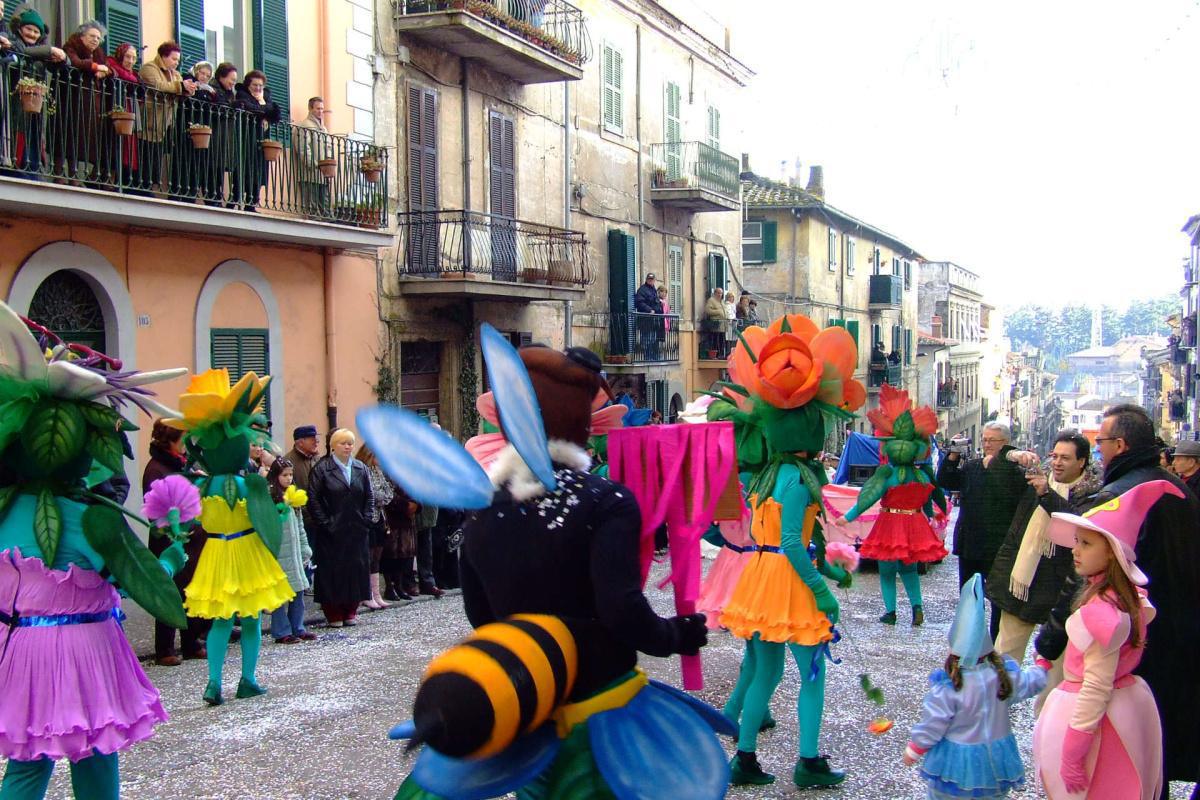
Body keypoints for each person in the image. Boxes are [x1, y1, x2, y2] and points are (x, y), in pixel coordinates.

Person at [0, 303, 189, 800]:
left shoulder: (4, 510)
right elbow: (141, 580)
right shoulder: (90, 518)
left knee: (27, 761)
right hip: (83, 649)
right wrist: (171, 553)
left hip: (18, 647)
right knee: (94, 753)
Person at [719, 314, 862, 788]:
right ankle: (808, 761)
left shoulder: (763, 476)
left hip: (759, 579)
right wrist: (821, 591)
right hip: (788, 582)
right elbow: (792, 545)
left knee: (764, 673)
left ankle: (744, 757)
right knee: (812, 675)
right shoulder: (798, 479)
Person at [1084, 404, 1200, 797]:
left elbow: (1095, 578)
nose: (1098, 450)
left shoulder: (1118, 498)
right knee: (1159, 742)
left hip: (1135, 643)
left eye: (1100, 442)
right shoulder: (1180, 490)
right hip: (1181, 635)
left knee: (1129, 750)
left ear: (1119, 444)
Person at [1032, 481, 1172, 800]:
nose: (1076, 551)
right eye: (1077, 542)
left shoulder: (1101, 611)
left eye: (1086, 544)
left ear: (1111, 554)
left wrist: (1072, 753)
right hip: (1125, 708)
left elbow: (1096, 686)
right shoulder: (1126, 598)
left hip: (1100, 722)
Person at [165, 368, 293, 706]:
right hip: (246, 549)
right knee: (250, 619)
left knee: (221, 622)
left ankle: (213, 682)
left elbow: (189, 521)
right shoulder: (247, 484)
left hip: (217, 551)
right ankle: (247, 679)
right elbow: (265, 515)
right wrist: (282, 511)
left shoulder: (202, 485)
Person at [904, 575, 1048, 800]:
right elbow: (1031, 682)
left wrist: (916, 747)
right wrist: (1042, 664)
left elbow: (935, 723)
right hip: (994, 766)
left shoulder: (949, 686)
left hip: (955, 766)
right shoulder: (1003, 677)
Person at [835, 385, 948, 627]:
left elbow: (868, 497)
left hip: (890, 522)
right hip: (915, 523)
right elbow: (930, 502)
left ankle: (891, 612)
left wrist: (847, 517)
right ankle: (917, 607)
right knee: (909, 570)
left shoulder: (887, 475)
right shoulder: (923, 477)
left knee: (886, 572)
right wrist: (930, 517)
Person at [986, 431, 1099, 663]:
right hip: (1023, 580)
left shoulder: (1094, 494)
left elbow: (1078, 526)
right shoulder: (1036, 479)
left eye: (1065, 458)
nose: (1057, 463)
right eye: (1054, 456)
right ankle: (997, 698)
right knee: (1003, 658)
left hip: (1062, 589)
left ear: (1082, 462)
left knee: (1057, 668)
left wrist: (1047, 495)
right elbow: (997, 473)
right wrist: (1013, 454)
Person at [936, 421, 1031, 640]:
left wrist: (997, 466)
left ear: (1005, 443)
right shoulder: (973, 466)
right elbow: (946, 481)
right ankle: (969, 639)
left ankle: (995, 641)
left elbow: (1011, 495)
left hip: (999, 544)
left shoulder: (1016, 470)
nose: (987, 444)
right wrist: (952, 457)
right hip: (971, 541)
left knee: (998, 597)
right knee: (969, 594)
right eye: (984, 439)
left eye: (992, 440)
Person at [142, 419, 210, 666]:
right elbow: (155, 507)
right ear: (171, 439)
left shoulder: (180, 465)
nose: (187, 445)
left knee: (189, 590)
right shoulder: (156, 468)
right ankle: (165, 648)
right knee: (169, 592)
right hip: (168, 540)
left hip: (191, 538)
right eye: (183, 439)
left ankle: (191, 642)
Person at [307, 428, 374, 627]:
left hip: (356, 529)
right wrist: (326, 523)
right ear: (333, 446)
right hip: (332, 531)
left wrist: (366, 519)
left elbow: (369, 496)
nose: (347, 447)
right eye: (343, 443)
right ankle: (334, 612)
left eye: (350, 443)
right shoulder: (322, 469)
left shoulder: (361, 468)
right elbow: (313, 499)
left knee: (356, 569)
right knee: (333, 571)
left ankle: (351, 610)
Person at [7, 8, 66, 177]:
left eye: (36, 31)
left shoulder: (43, 51)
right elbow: (21, 52)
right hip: (14, 106)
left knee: (33, 141)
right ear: (20, 29)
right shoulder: (14, 42)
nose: (32, 34)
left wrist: (62, 58)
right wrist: (49, 51)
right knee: (16, 139)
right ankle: (15, 171)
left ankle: (31, 172)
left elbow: (64, 66)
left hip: (35, 109)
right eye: (29, 29)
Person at [266, 458, 317, 644]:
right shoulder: (270, 497)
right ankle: (281, 630)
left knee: (298, 590)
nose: (288, 478)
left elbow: (300, 525)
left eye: (290, 475)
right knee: (281, 592)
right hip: (279, 551)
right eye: (284, 475)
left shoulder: (293, 496)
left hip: (294, 552)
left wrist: (305, 548)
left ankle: (298, 626)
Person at [137, 42, 195, 194]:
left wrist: (188, 90)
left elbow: (181, 87)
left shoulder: (175, 74)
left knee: (156, 160)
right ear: (163, 56)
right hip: (148, 120)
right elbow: (157, 85)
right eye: (174, 59)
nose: (177, 63)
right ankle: (141, 188)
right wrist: (180, 87)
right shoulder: (150, 68)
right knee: (144, 156)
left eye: (178, 60)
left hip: (164, 124)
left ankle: (149, 186)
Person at [57, 21, 109, 184]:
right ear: (82, 36)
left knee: (81, 138)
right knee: (67, 134)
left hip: (89, 103)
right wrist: (95, 67)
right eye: (92, 36)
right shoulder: (71, 46)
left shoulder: (99, 53)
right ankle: (58, 172)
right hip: (70, 98)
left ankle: (73, 175)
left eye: (98, 38)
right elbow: (75, 62)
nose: (95, 40)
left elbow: (108, 69)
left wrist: (105, 71)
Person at [232, 69, 280, 211]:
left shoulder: (266, 95)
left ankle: (252, 202)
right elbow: (250, 108)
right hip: (246, 137)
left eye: (260, 85)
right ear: (248, 85)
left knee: (259, 171)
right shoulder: (242, 94)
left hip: (261, 139)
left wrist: (262, 103)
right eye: (255, 85)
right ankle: (235, 199)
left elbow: (277, 114)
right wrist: (263, 108)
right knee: (244, 170)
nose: (258, 88)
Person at [356, 442, 394, 610]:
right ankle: (366, 594)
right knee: (368, 557)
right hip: (369, 517)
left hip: (380, 517)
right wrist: (381, 496)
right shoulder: (363, 471)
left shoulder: (379, 472)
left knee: (377, 557)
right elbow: (374, 494)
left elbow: (388, 493)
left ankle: (376, 593)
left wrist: (382, 496)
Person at [103, 43, 140, 186]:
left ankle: (116, 181)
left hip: (127, 114)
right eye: (127, 57)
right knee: (112, 146)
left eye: (134, 58)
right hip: (112, 111)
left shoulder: (134, 75)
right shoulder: (111, 66)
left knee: (125, 149)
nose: (130, 61)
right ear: (120, 55)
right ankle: (104, 179)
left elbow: (141, 89)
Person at [294, 96, 330, 215]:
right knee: (313, 206)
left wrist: (328, 163)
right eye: (318, 108)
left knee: (325, 203)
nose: (320, 111)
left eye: (322, 109)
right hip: (309, 172)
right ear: (310, 109)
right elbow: (303, 147)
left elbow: (328, 146)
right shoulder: (305, 125)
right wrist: (312, 164)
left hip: (323, 172)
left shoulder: (323, 128)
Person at [633, 271, 662, 361]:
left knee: (653, 339)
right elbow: (639, 302)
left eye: (652, 279)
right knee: (646, 340)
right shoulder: (642, 290)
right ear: (646, 280)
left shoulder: (654, 290)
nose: (651, 281)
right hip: (645, 320)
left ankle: (652, 357)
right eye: (649, 279)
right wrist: (649, 310)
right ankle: (647, 357)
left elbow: (656, 302)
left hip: (653, 321)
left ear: (654, 280)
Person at [703, 286, 726, 356]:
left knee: (722, 341)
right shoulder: (711, 300)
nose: (720, 295)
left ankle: (721, 354)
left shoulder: (722, 301)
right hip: (715, 325)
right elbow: (707, 310)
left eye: (721, 293)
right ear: (715, 293)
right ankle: (716, 355)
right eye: (718, 293)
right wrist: (718, 312)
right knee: (716, 341)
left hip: (723, 325)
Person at [723, 289, 738, 353]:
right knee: (729, 338)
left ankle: (732, 351)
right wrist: (732, 318)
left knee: (733, 338)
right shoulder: (727, 304)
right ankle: (728, 352)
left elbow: (734, 313)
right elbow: (728, 313)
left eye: (732, 297)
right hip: (729, 322)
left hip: (734, 322)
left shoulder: (733, 305)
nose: (731, 298)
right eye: (730, 297)